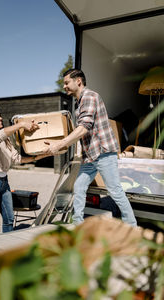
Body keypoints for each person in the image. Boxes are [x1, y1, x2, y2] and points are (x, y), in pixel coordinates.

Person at [42, 69, 137, 227]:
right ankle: (78, 225)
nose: (64, 86)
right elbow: (80, 132)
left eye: (66, 82)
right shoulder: (79, 103)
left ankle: (132, 226)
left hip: (103, 152)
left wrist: (59, 144)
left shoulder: (90, 96)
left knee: (115, 191)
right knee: (79, 187)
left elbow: (84, 127)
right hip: (90, 156)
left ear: (78, 81)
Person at [0, 106, 46, 253]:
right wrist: (20, 124)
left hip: (3, 183)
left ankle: (5, 254)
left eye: (0, 115)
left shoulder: (5, 138)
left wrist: (40, 156)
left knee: (8, 219)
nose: (0, 118)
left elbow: (16, 158)